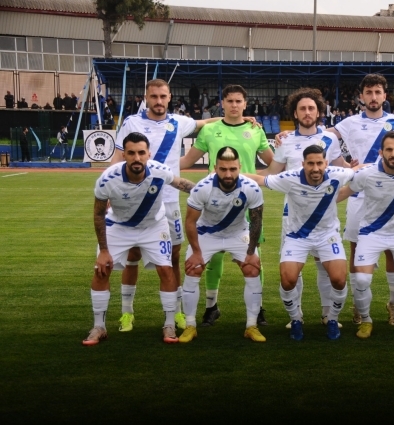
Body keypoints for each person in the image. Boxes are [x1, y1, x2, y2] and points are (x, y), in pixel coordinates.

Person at [111, 78, 220, 333]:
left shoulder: (179, 122)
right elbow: (117, 159)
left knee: (173, 257)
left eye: (163, 96)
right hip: (135, 201)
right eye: (154, 97)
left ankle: (177, 311)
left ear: (170, 98)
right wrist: (111, 195)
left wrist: (243, 118)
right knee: (132, 256)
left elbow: (206, 122)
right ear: (146, 98)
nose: (159, 101)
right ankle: (127, 313)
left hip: (169, 203)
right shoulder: (131, 123)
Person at [82, 132, 196, 346]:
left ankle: (169, 324)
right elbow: (98, 214)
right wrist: (104, 250)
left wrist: (206, 192)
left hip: (154, 226)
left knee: (166, 269)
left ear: (148, 154)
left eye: (141, 153)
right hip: (118, 226)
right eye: (131, 153)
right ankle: (99, 326)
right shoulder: (107, 179)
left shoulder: (159, 171)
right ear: (124, 154)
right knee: (101, 270)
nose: (137, 158)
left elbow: (181, 183)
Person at [181, 84, 273, 327]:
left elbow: (275, 164)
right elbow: (187, 161)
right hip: (215, 202)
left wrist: (260, 177)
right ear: (222, 103)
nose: (234, 105)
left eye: (238, 101)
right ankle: (211, 306)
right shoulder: (210, 130)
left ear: (245, 104)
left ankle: (257, 308)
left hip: (246, 202)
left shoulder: (255, 130)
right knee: (213, 258)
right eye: (230, 101)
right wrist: (155, 164)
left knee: (254, 255)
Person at [258, 87, 348, 330]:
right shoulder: (285, 140)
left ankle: (328, 314)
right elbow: (271, 173)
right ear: (295, 114)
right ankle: (295, 317)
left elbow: (342, 169)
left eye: (311, 108)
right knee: (293, 270)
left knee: (325, 266)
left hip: (324, 215)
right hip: (294, 216)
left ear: (318, 112)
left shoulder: (330, 139)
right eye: (302, 109)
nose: (307, 112)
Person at [246, 144, 353, 340]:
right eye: (310, 163)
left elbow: (360, 171)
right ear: (303, 164)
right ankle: (295, 319)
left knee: (339, 279)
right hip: (297, 236)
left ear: (326, 163)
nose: (315, 168)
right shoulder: (290, 178)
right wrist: (228, 174)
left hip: (327, 235)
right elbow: (260, 180)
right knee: (288, 280)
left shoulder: (338, 174)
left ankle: (332, 318)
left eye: (319, 163)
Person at [337, 131, 394, 339]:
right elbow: (344, 193)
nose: (393, 154)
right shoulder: (366, 174)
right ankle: (366, 321)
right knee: (361, 279)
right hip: (371, 233)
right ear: (381, 152)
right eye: (389, 150)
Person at [178, 146, 265, 343]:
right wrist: (196, 252)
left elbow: (256, 221)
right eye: (223, 169)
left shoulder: (251, 188)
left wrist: (251, 252)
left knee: (252, 269)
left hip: (238, 233)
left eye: (233, 169)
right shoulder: (203, 188)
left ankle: (251, 326)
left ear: (239, 167)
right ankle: (190, 326)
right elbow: (190, 222)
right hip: (207, 233)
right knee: (192, 269)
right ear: (215, 168)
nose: (228, 174)